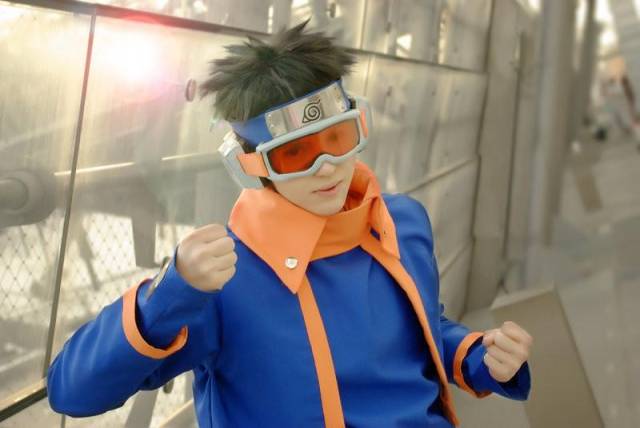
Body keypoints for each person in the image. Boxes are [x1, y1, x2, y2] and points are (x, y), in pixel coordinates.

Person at [47, 21, 532, 427]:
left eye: (338, 138)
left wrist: (477, 356)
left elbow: (418, 336)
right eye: (295, 153)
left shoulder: (401, 222)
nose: (327, 167)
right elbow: (72, 391)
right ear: (250, 165)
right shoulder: (224, 279)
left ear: (359, 125)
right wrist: (167, 296)